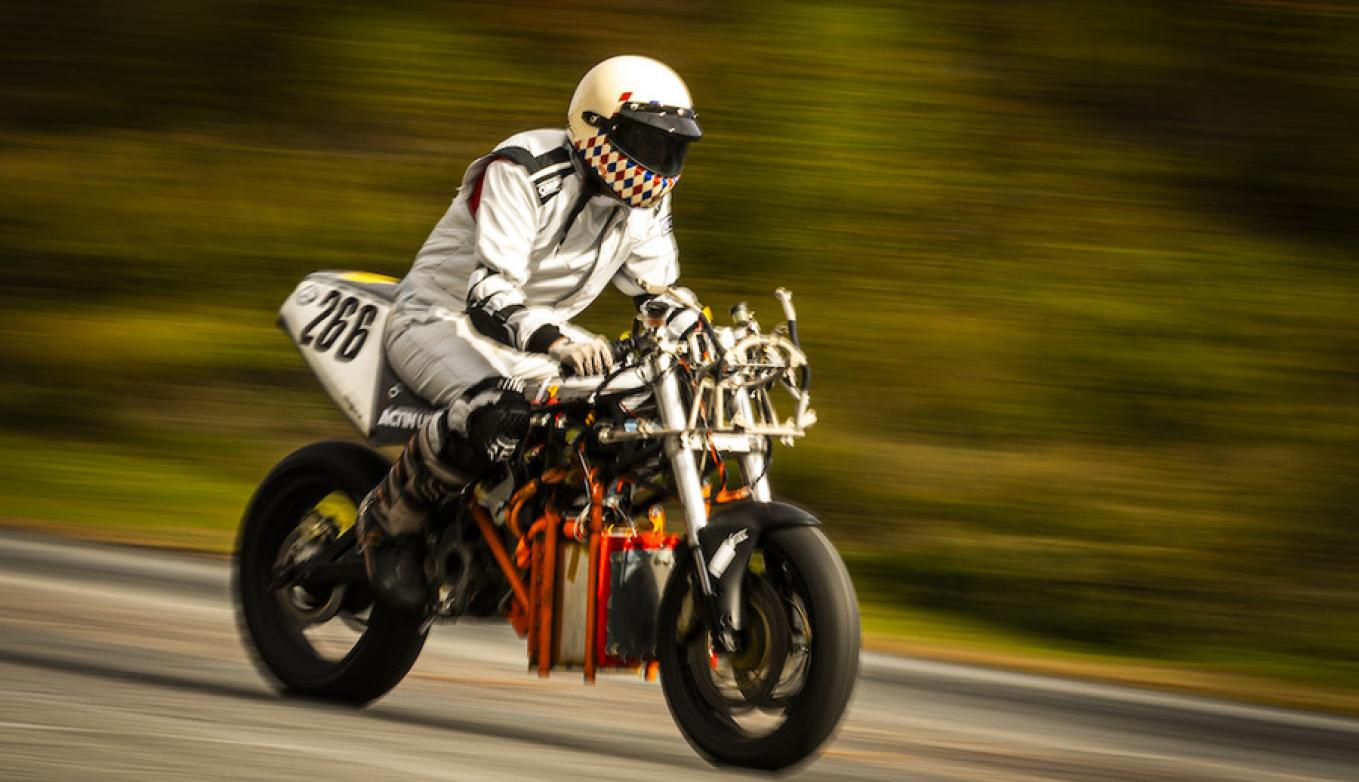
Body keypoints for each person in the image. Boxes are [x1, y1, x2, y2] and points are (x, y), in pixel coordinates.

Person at [355, 55, 703, 612]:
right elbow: (488, 295)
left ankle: (547, 529)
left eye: (672, 148)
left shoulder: (643, 202)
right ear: (598, 128)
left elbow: (658, 296)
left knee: (631, 412)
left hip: (538, 339)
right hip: (440, 318)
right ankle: (387, 524)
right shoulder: (522, 170)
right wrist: (562, 346)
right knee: (494, 411)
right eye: (648, 143)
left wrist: (704, 339)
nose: (662, 163)